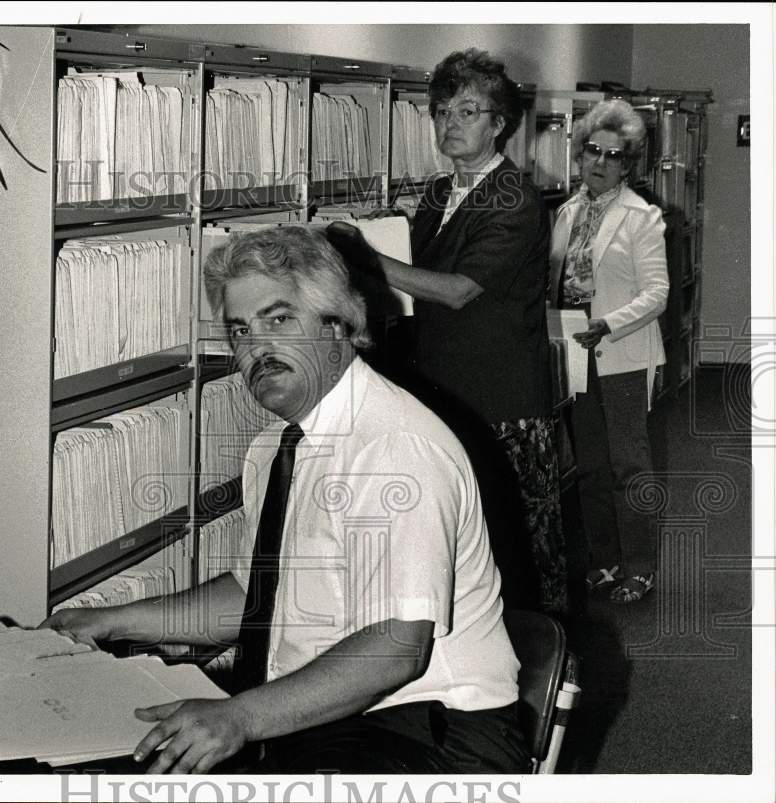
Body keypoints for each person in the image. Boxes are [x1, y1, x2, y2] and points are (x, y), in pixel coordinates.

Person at [42, 225, 527, 774]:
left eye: (279, 320)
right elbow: (263, 597)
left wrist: (240, 719)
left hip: (429, 732)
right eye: (240, 331)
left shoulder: (393, 447)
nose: (257, 350)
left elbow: (396, 647)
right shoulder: (277, 444)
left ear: (339, 323)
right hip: (335, 716)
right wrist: (112, 621)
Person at [327, 48, 567, 616]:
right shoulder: (439, 193)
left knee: (517, 549)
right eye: (442, 113)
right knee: (459, 546)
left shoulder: (516, 200)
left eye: (468, 112)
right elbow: (415, 272)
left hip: (500, 401)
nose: (450, 125)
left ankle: (543, 676)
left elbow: (456, 289)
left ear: (499, 124)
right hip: (442, 392)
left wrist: (362, 259)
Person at [550, 99, 668, 604]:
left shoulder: (643, 218)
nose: (600, 162)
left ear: (628, 164)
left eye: (613, 156)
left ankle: (640, 568)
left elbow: (657, 292)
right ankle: (605, 561)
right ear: (579, 153)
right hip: (575, 354)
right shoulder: (565, 212)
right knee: (591, 468)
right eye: (593, 151)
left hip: (622, 356)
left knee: (629, 467)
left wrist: (609, 324)